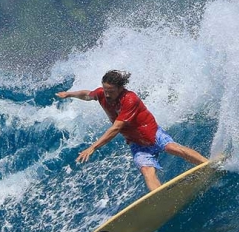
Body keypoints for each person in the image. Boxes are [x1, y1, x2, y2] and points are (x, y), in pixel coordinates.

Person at [56, 70, 207, 192]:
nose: (107, 95)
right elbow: (87, 94)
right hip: (137, 143)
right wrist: (70, 94)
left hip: (152, 134)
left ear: (121, 88)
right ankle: (160, 197)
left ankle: (207, 164)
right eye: (105, 90)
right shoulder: (102, 94)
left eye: (111, 91)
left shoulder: (129, 99)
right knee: (147, 170)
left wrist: (92, 147)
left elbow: (116, 128)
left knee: (172, 148)